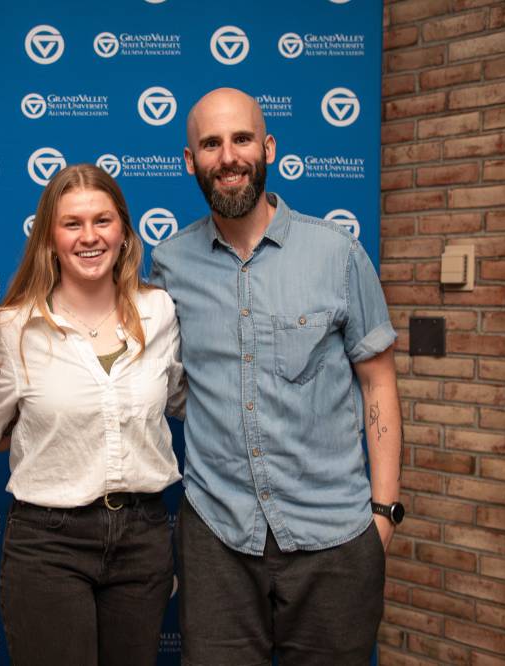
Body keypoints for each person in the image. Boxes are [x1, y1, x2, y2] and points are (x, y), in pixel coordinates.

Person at [149, 87, 403, 665]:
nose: (228, 157)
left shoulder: (337, 254)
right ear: (190, 160)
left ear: (267, 148)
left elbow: (379, 383)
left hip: (335, 537)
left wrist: (384, 513)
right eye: (210, 144)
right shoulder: (170, 264)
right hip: (217, 538)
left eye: (241, 139)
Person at [0, 164, 185, 665]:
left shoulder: (159, 311)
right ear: (50, 239)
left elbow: (191, 401)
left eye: (102, 220)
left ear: (123, 231)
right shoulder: (13, 328)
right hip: (48, 543)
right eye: (72, 223)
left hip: (143, 537)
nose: (89, 236)